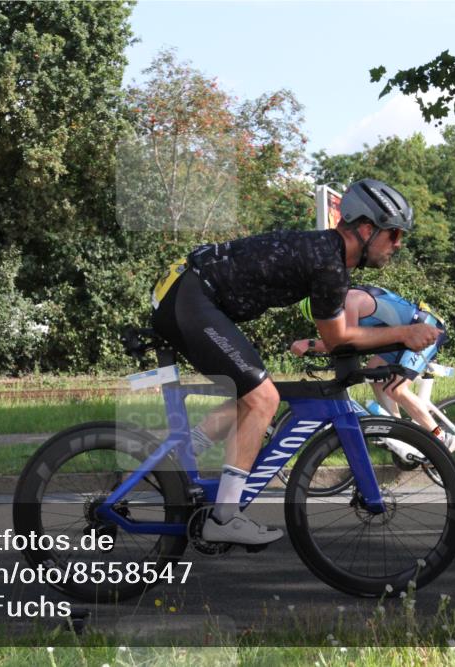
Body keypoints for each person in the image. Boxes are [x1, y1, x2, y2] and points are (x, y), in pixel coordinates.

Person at [150, 178, 440, 546]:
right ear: (367, 229)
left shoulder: (328, 256)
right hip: (191, 295)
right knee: (264, 398)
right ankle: (223, 517)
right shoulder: (329, 263)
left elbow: (336, 337)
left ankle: (174, 463)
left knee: (250, 396)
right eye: (394, 234)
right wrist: (403, 334)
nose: (398, 244)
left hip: (187, 292)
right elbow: (338, 338)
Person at [290, 286, 455, 452]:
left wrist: (310, 344)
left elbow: (345, 342)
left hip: (423, 328)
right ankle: (398, 430)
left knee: (396, 389)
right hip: (403, 335)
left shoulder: (350, 300)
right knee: (374, 374)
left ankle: (442, 437)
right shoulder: (344, 300)